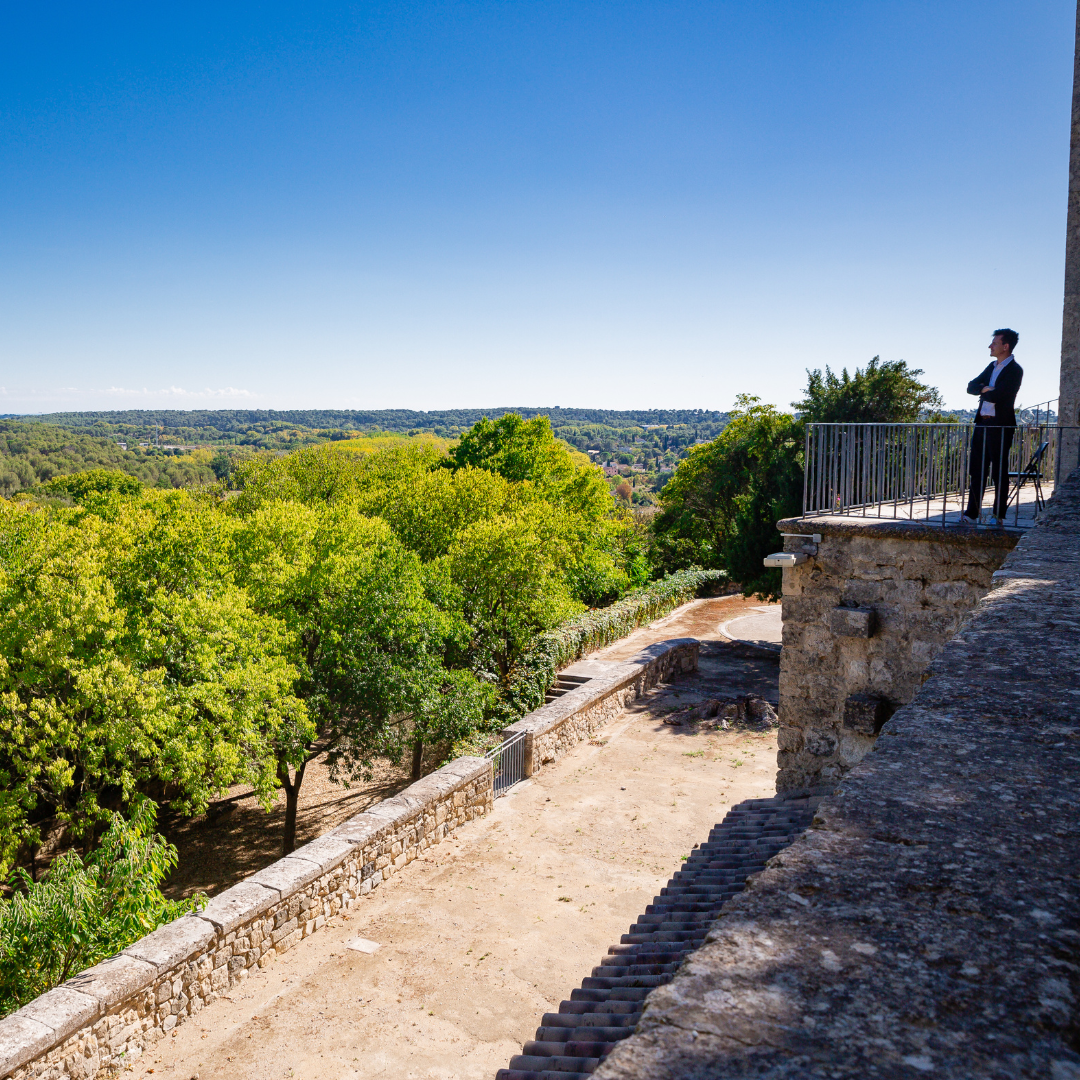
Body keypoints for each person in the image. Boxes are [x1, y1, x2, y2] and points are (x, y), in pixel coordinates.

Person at [962, 328, 1023, 525]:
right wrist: (985, 389)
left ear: (1005, 347)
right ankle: (972, 514)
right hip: (982, 423)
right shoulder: (991, 366)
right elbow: (971, 386)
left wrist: (986, 391)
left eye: (994, 343)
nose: (990, 346)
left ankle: (998, 516)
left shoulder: (1015, 370)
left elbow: (1000, 395)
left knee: (998, 471)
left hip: (1000, 426)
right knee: (977, 469)